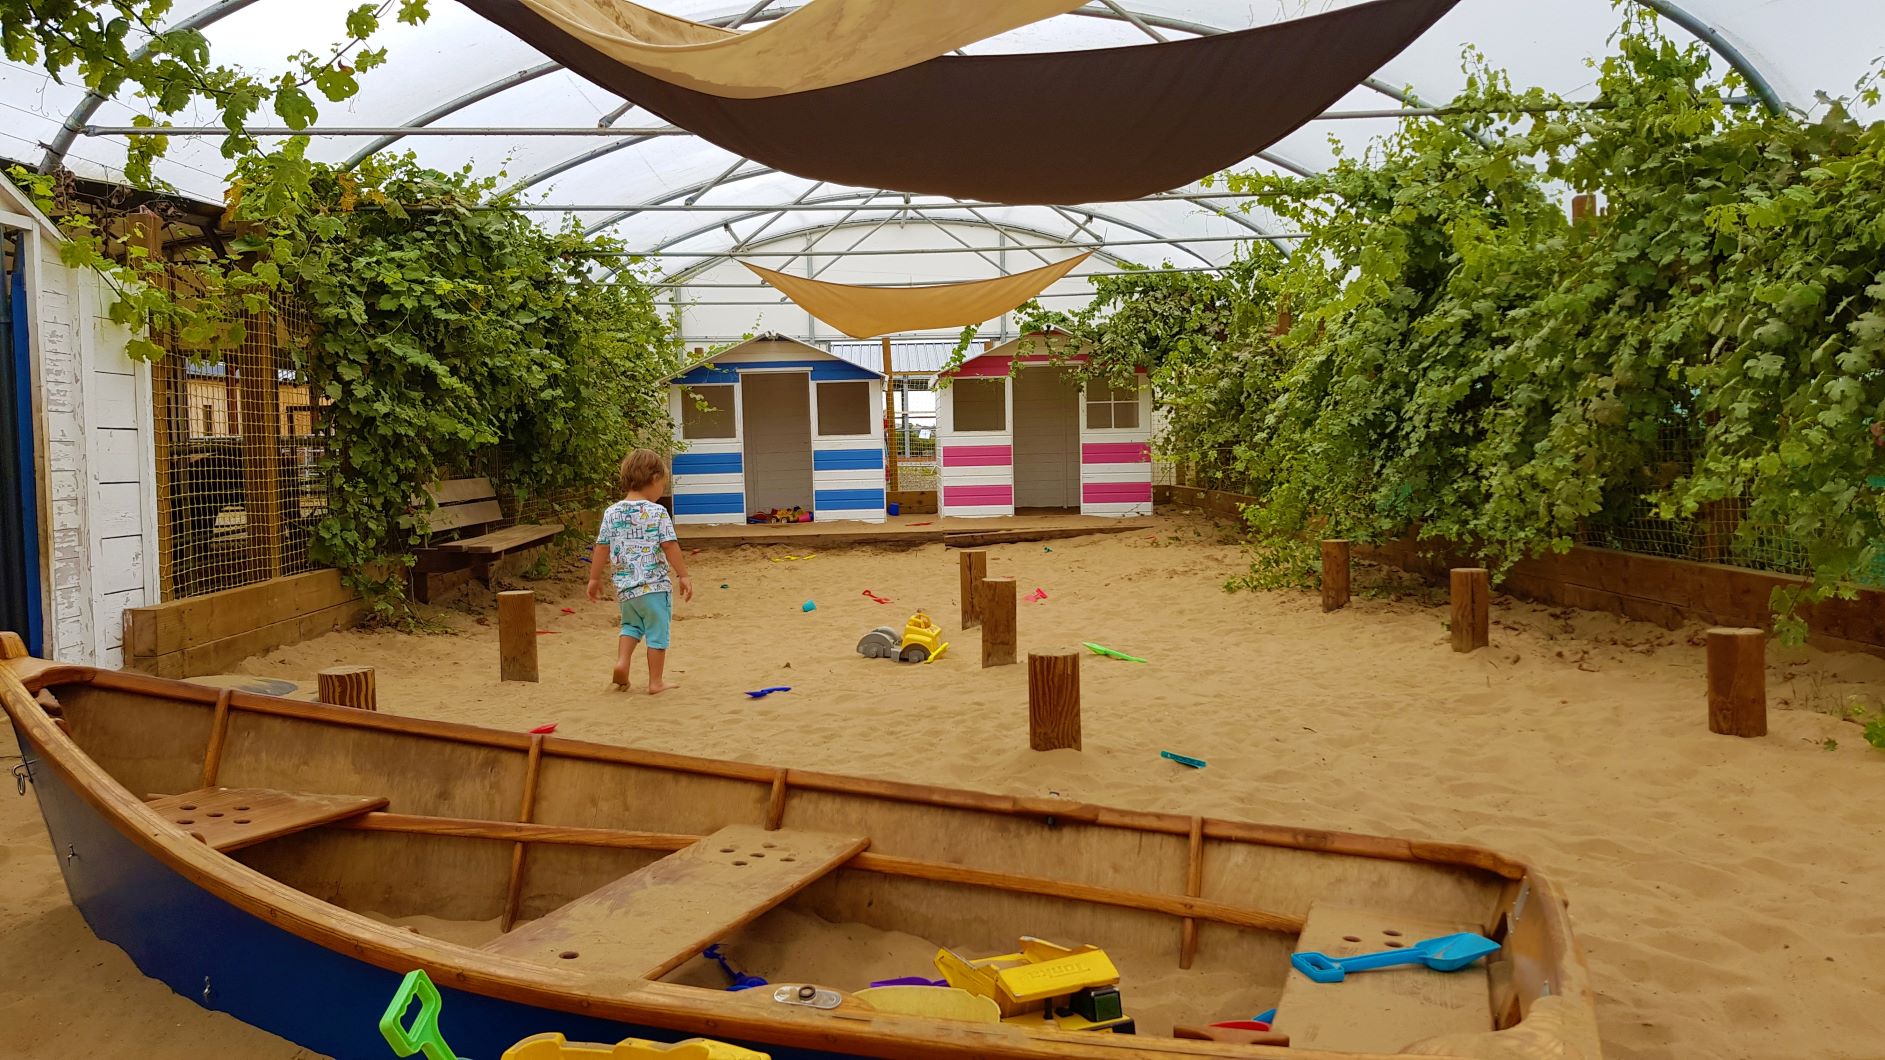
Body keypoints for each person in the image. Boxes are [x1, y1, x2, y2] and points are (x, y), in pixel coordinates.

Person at [587, 449, 693, 694]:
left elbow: (601, 546)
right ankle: (655, 682)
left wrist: (594, 578)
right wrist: (683, 574)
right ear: (655, 479)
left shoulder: (611, 512)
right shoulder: (657, 512)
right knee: (657, 633)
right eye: (663, 485)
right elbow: (669, 544)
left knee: (630, 627)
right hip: (654, 588)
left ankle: (622, 662)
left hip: (626, 590)